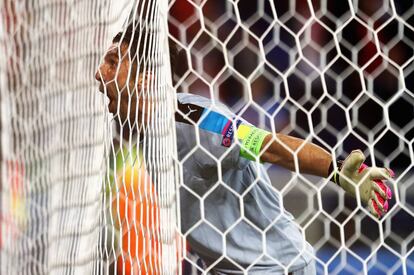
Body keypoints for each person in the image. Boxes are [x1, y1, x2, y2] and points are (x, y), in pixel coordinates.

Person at [95, 23, 394, 275]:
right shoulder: (141, 131)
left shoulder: (199, 123)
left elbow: (269, 146)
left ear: (146, 78)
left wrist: (336, 170)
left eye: (112, 62)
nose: (99, 73)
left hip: (277, 268)